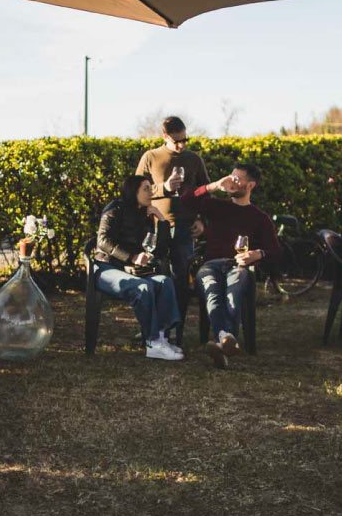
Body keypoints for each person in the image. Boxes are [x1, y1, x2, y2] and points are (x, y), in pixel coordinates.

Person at [179, 164, 281, 368]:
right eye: (231, 177)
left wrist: (257, 254)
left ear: (250, 185)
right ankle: (226, 339)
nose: (232, 182)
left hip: (238, 266)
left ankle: (221, 341)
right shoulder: (218, 206)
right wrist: (214, 185)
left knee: (233, 291)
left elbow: (277, 253)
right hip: (210, 265)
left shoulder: (260, 218)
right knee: (213, 293)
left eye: (238, 179)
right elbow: (186, 201)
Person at [94, 174, 184, 361]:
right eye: (145, 188)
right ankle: (152, 343)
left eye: (151, 188)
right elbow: (102, 241)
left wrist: (161, 219)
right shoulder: (114, 208)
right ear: (132, 190)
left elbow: (160, 249)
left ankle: (161, 338)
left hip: (131, 270)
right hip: (106, 268)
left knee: (164, 282)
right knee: (143, 287)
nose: (150, 192)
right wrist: (132, 257)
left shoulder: (145, 214)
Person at [136, 116, 210, 323]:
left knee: (181, 277)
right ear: (165, 137)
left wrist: (202, 219)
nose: (181, 145)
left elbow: (205, 192)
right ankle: (153, 323)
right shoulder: (150, 157)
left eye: (185, 140)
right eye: (177, 141)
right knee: (154, 275)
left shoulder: (194, 159)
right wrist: (164, 188)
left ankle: (176, 324)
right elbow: (137, 191)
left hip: (185, 226)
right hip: (156, 227)